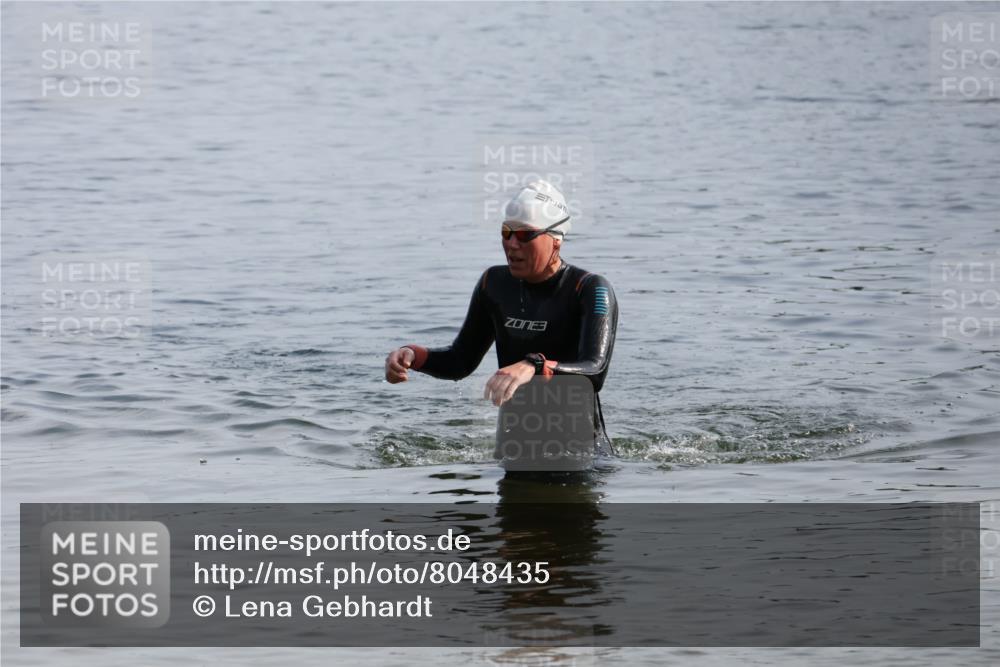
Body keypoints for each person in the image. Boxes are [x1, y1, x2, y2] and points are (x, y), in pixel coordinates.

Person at [384, 179, 619, 452]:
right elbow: (460, 360)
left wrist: (536, 365)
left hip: (579, 453)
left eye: (524, 235)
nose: (512, 244)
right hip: (514, 449)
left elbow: (595, 371)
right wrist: (412, 356)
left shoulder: (589, 289)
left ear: (556, 240)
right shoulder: (493, 284)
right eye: (506, 232)